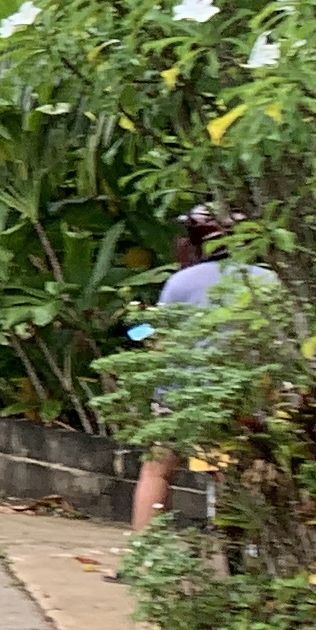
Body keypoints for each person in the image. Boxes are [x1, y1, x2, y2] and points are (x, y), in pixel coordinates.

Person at [129, 213, 234, 532]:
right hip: (236, 397)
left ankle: (143, 559)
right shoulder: (267, 280)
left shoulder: (182, 282)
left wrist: (133, 327)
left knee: (157, 470)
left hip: (178, 397)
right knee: (232, 473)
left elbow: (153, 332)